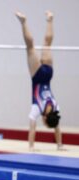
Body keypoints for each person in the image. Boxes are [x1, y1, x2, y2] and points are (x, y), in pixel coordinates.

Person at [15, 11, 63, 151]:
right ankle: (24, 22)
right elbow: (32, 129)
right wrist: (31, 147)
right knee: (30, 47)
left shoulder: (56, 108)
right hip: (37, 75)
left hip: (48, 74)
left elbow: (57, 127)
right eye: (45, 124)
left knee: (47, 43)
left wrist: (60, 145)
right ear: (45, 118)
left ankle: (50, 19)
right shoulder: (37, 109)